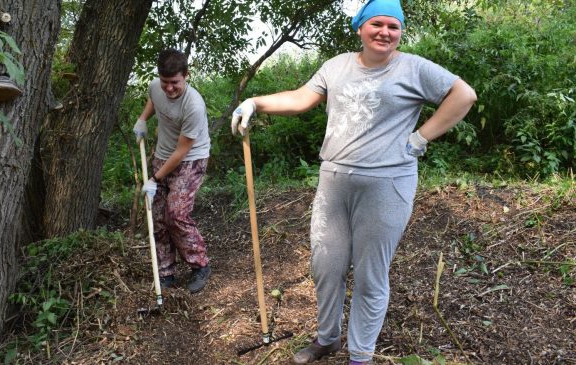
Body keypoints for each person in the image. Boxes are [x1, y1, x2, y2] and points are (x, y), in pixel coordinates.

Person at [230, 0, 477, 363]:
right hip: (334, 180)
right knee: (326, 264)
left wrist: (420, 137)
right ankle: (327, 338)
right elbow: (301, 98)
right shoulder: (336, 66)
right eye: (377, 24)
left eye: (393, 26)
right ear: (360, 27)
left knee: (370, 274)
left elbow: (464, 95)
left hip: (387, 184)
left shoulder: (414, 68)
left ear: (401, 32)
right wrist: (254, 102)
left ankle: (360, 354)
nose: (385, 32)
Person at [133, 48, 212, 294]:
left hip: (190, 159)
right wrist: (143, 118)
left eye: (174, 83)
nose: (169, 88)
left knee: (176, 213)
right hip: (161, 155)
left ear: (186, 75)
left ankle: (200, 265)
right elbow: (154, 99)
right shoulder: (156, 86)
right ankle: (165, 272)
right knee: (156, 215)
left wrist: (154, 178)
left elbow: (182, 152)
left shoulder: (194, 106)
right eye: (165, 82)